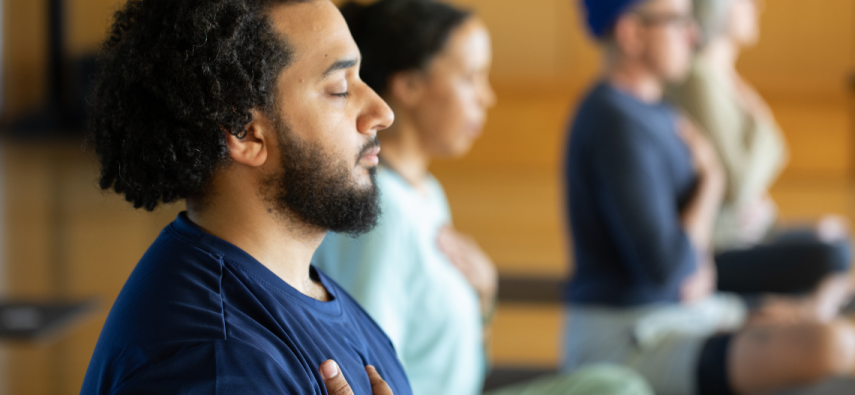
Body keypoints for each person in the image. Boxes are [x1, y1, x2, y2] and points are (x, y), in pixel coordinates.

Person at [313, 1, 652, 395]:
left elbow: (461, 369)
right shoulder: (382, 210)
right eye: (470, 78)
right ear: (408, 87)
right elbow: (368, 366)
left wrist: (485, 297)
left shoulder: (426, 194)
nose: (486, 97)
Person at [80, 0, 410, 393]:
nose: (382, 112)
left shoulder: (303, 289)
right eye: (339, 89)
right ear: (246, 133)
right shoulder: (219, 365)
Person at [563, 0, 855, 394]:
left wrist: (704, 270)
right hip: (631, 338)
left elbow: (687, 268)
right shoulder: (614, 122)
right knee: (830, 343)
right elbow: (668, 272)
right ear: (632, 33)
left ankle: (801, 310)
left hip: (679, 316)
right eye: (676, 22)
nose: (692, 34)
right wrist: (711, 185)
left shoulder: (653, 110)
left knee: (821, 328)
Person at [666, 0, 855, 300]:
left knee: (836, 237)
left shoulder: (720, 78)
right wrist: (763, 131)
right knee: (834, 254)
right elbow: (737, 184)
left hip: (745, 233)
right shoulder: (697, 79)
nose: (758, 7)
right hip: (716, 247)